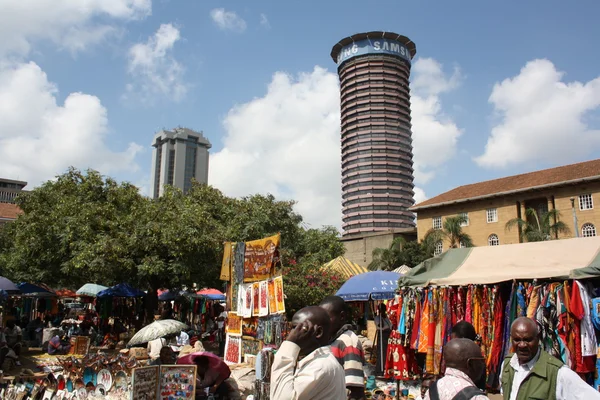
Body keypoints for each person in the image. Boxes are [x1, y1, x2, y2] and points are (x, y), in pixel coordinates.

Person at [500, 317, 600, 400]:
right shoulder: (508, 365)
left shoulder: (558, 373)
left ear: (538, 338)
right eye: (517, 340)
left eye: (527, 340)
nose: (522, 345)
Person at [270, 306, 346, 400]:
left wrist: (290, 345)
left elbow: (281, 397)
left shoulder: (320, 366)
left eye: (298, 328)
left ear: (318, 332)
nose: (291, 334)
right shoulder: (320, 362)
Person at [320, 295, 366, 400]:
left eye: (327, 318)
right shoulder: (333, 339)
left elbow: (355, 389)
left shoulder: (348, 342)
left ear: (341, 317)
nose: (323, 323)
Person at [451, 321, 486, 391]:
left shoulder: (473, 362)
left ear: (464, 340)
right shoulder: (478, 358)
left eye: (454, 341)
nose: (452, 344)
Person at [374, 303, 392, 374]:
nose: (384, 311)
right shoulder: (377, 318)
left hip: (388, 335)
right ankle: (379, 369)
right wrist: (381, 318)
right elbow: (380, 326)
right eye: (382, 309)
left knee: (387, 352)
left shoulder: (387, 317)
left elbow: (390, 325)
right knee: (381, 352)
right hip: (382, 335)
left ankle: (386, 367)